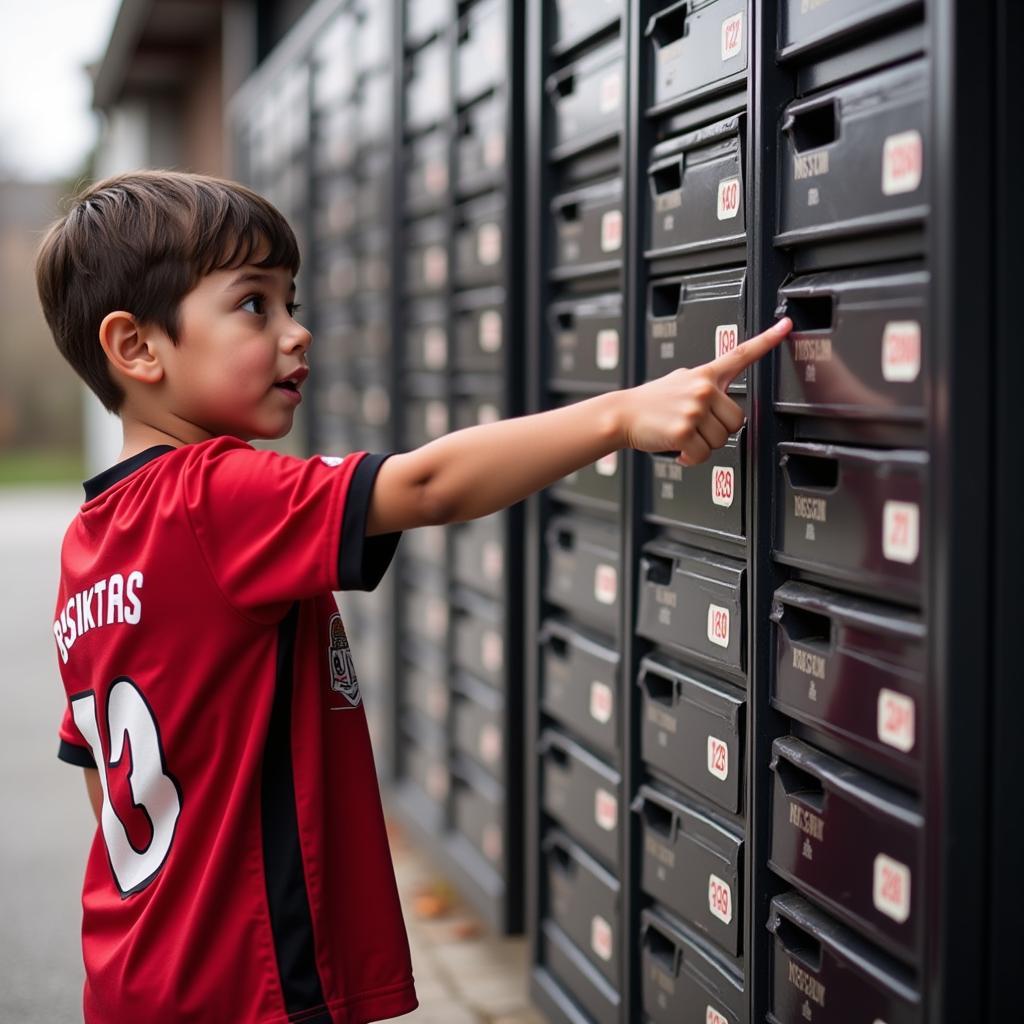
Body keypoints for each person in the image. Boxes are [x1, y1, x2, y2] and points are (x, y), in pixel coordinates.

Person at [35, 169, 791, 1024]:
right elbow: (427, 486)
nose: (296, 331)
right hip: (250, 985)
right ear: (136, 348)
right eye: (255, 305)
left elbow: (100, 779)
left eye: (292, 301)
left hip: (134, 971)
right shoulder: (213, 495)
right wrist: (622, 415)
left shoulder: (91, 540)